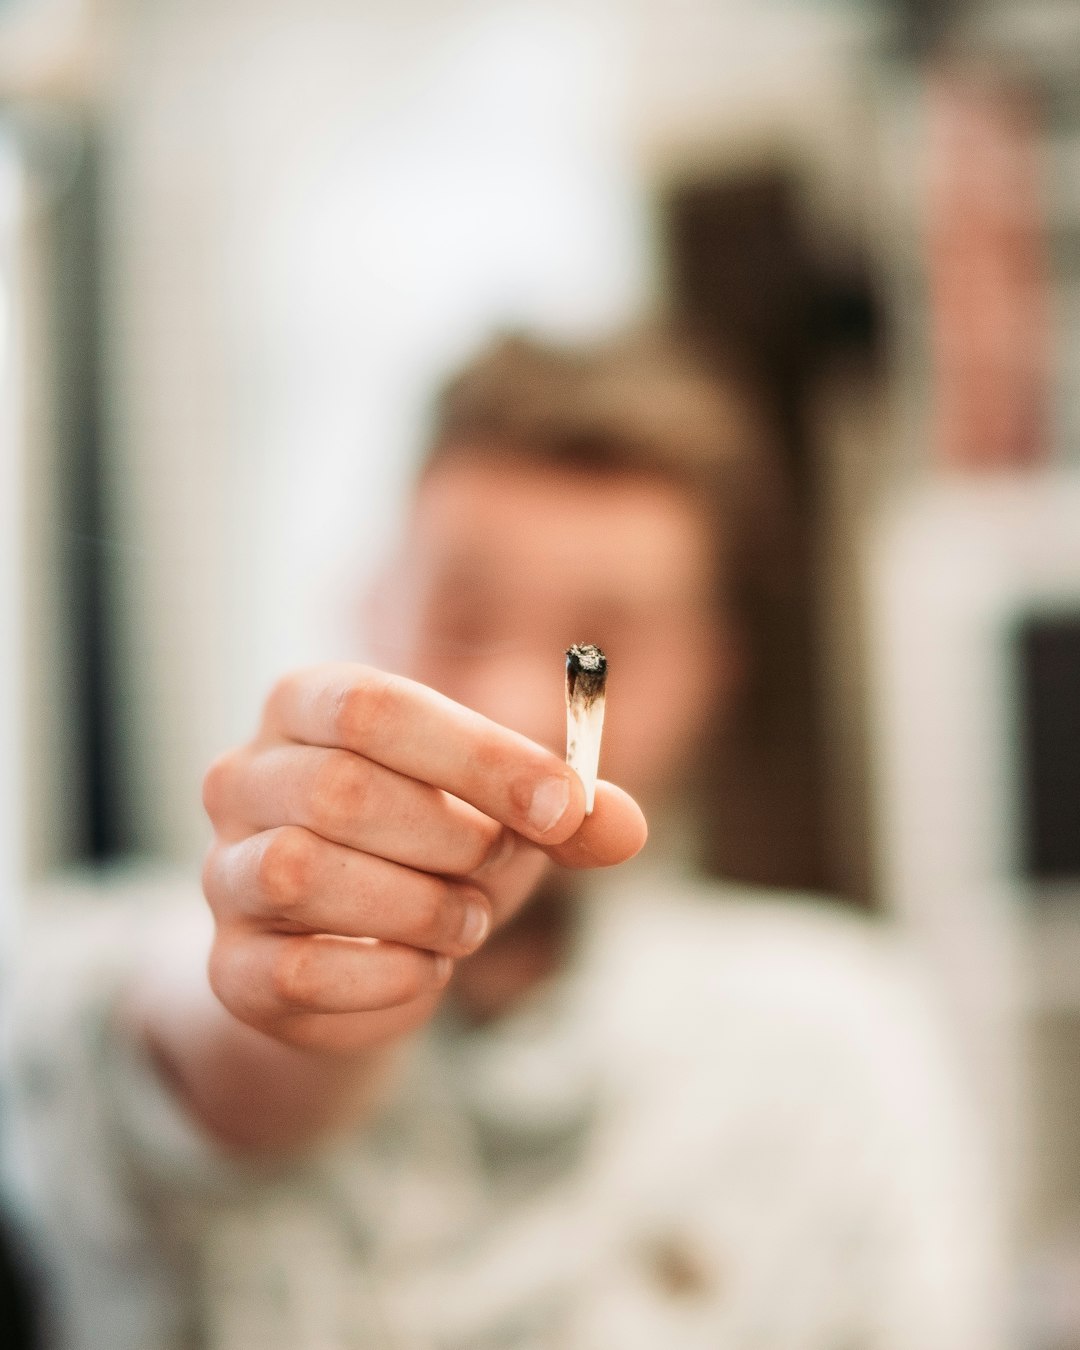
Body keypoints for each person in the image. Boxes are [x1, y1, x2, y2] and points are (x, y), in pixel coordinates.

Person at [6, 331, 1005, 1348]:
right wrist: (275, 998)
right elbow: (174, 1051)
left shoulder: (830, 1045)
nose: (514, 698)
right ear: (371, 600)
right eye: (464, 613)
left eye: (600, 644)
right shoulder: (92, 972)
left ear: (713, 672)